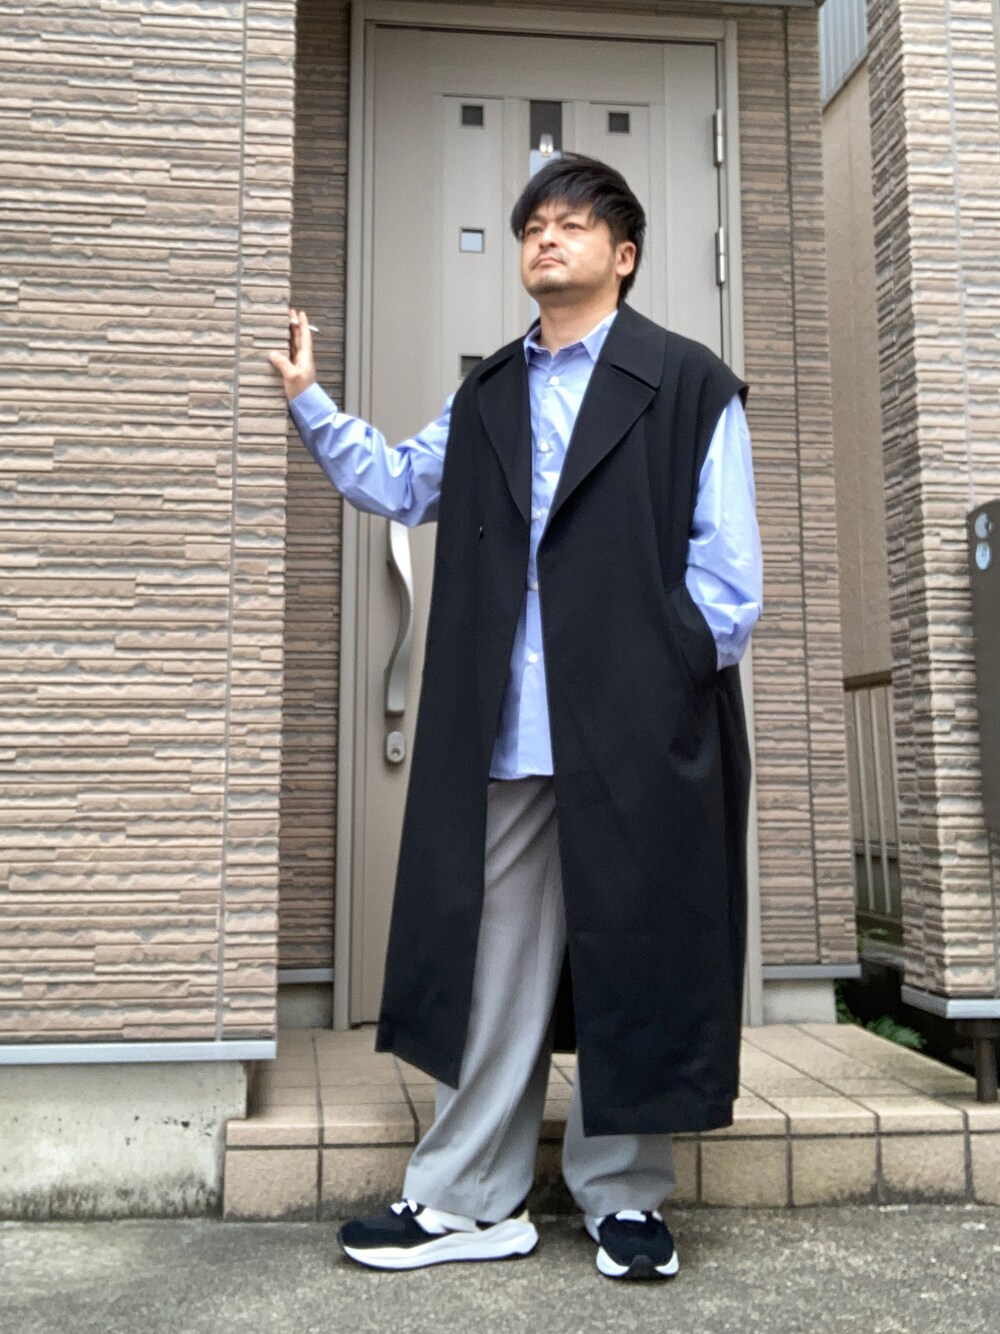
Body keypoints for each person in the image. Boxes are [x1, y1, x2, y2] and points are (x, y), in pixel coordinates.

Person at [269, 155, 762, 1282]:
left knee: (637, 957)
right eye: (534, 223)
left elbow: (729, 585)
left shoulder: (687, 383)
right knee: (491, 969)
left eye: (573, 223)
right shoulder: (489, 389)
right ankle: (467, 1198)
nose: (547, 237)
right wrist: (310, 401)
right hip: (508, 734)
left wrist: (660, 678)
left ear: (622, 255)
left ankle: (624, 1200)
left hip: (638, 738)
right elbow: (401, 483)